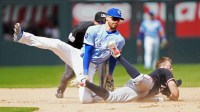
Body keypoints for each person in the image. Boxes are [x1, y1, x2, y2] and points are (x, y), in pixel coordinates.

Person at [13, 8, 125, 103]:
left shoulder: (119, 39)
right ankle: (22, 36)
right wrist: (85, 74)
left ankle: (103, 94)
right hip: (77, 55)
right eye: (114, 18)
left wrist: (110, 74)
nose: (116, 21)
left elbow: (114, 57)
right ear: (107, 18)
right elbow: (88, 52)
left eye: (118, 19)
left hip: (91, 65)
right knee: (56, 44)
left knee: (84, 99)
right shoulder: (92, 30)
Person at [77, 45, 180, 103]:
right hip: (147, 82)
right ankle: (118, 56)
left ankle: (86, 83)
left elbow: (168, 91)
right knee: (139, 79)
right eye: (169, 66)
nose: (171, 68)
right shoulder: (165, 72)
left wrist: (168, 92)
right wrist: (172, 95)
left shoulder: (162, 82)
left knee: (110, 98)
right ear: (161, 67)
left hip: (137, 91)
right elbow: (175, 95)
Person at [55, 11, 108, 98]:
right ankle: (60, 89)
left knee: (102, 66)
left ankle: (102, 91)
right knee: (69, 75)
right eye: (99, 22)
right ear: (94, 21)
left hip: (92, 52)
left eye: (104, 22)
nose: (101, 24)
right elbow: (69, 45)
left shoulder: (106, 30)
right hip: (76, 50)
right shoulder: (80, 29)